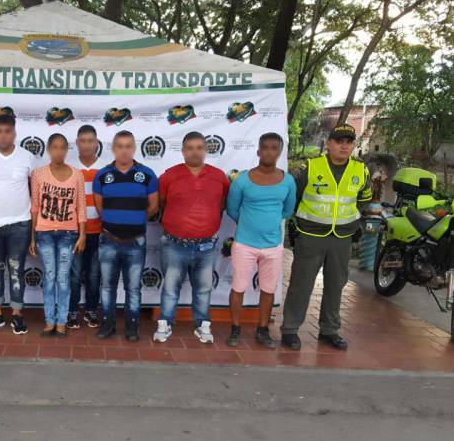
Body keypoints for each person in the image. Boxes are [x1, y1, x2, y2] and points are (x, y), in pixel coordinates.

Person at [281, 124, 371, 350]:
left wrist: (354, 222)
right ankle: (290, 330)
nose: (344, 146)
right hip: (311, 235)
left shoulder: (361, 171)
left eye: (349, 142)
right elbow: (293, 198)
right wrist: (295, 225)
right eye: (339, 141)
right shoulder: (310, 167)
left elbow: (364, 199)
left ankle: (329, 330)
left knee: (335, 285)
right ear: (328, 143)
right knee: (301, 285)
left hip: (342, 237)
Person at [153, 132, 229, 344]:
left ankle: (202, 324)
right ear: (183, 151)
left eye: (199, 147)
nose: (194, 152)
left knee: (203, 288)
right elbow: (162, 202)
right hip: (174, 244)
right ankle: (165, 323)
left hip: (206, 246)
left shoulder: (219, 176)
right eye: (190, 148)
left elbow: (221, 205)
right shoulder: (169, 176)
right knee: (170, 287)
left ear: (206, 150)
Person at [225, 132, 296, 348]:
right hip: (244, 244)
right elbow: (232, 209)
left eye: (274, 148)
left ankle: (262, 329)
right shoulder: (242, 180)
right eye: (265, 147)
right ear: (258, 151)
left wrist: (267, 224)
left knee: (268, 289)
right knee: (238, 287)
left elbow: (287, 210)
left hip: (273, 245)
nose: (269, 151)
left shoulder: (288, 181)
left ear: (280, 152)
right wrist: (249, 224)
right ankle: (236, 328)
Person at [93, 131, 158, 341]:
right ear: (113, 148)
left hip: (136, 242)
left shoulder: (147, 174)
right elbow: (100, 207)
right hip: (108, 240)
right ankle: (107, 324)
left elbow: (153, 207)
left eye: (128, 146)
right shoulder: (102, 175)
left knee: (133, 287)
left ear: (134, 148)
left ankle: (132, 326)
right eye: (120, 146)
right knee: (107, 286)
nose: (124, 150)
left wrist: (134, 221)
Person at [0, 114, 38, 335]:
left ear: (15, 133)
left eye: (7, 131)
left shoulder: (28, 157)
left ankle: (17, 315)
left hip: (20, 223)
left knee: (16, 269)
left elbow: (36, 192)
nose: (3, 135)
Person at [29, 133, 87, 338]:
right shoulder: (38, 174)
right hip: (44, 233)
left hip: (68, 234)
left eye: (63, 147)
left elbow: (81, 207)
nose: (59, 151)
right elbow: (35, 207)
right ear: (48, 149)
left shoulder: (77, 174)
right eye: (54, 147)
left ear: (67, 150)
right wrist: (33, 236)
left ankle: (61, 321)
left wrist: (82, 235)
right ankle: (49, 320)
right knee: (50, 276)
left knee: (63, 278)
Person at [65, 125, 104, 329]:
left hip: (99, 231)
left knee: (94, 274)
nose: (87, 145)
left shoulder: (106, 167)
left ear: (97, 143)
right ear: (77, 143)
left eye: (91, 141)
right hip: (74, 231)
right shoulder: (69, 167)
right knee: (74, 273)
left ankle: (90, 310)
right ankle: (72, 311)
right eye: (83, 141)